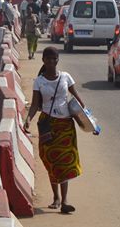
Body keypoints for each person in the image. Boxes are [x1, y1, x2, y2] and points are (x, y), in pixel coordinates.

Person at [25, 47, 86, 215]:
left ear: (58, 60)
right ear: (43, 60)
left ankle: (65, 200)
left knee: (65, 162)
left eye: (54, 59)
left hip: (65, 126)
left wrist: (89, 123)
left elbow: (80, 103)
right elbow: (35, 105)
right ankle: (56, 197)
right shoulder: (39, 81)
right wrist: (28, 119)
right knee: (51, 161)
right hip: (47, 125)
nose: (52, 62)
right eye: (49, 59)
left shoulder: (66, 77)